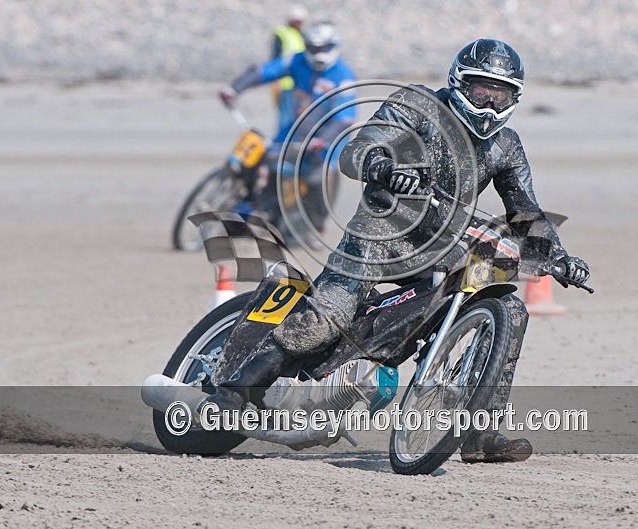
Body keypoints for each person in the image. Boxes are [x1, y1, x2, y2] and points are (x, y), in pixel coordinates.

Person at [222, 39, 590, 463]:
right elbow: (358, 148)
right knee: (330, 316)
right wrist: (383, 167)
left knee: (511, 309)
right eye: (479, 91)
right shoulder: (416, 106)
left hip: (442, 247)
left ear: (514, 98)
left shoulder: (506, 146)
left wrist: (559, 257)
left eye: (499, 95)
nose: (488, 105)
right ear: (457, 83)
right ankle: (235, 392)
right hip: (378, 235)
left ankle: (480, 434)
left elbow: (525, 211)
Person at [219, 20, 356, 233]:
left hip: (327, 139)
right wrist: (235, 88)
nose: (319, 54)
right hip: (296, 129)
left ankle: (315, 225)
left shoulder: (344, 78)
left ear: (334, 46)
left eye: (324, 48)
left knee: (315, 179)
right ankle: (249, 208)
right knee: (261, 160)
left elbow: (344, 119)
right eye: (313, 48)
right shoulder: (297, 60)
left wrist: (321, 141)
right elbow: (264, 71)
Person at [270, 5, 308, 133]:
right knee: (285, 118)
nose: (299, 24)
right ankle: (282, 144)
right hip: (285, 83)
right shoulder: (282, 33)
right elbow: (275, 58)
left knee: (298, 116)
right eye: (296, 21)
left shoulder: (302, 35)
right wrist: (276, 82)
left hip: (299, 84)